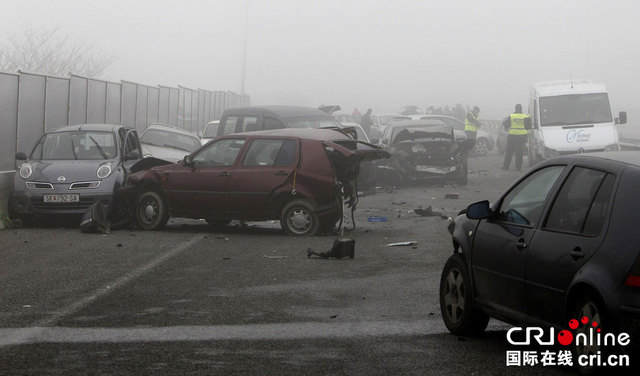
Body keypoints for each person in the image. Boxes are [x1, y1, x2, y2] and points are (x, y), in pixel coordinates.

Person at [502, 104, 531, 171]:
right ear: (521, 109)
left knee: (509, 152)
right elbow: (528, 127)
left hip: (512, 136)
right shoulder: (525, 116)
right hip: (521, 137)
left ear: (515, 109)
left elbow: (506, 125)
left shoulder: (512, 116)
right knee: (519, 152)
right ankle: (518, 167)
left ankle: (506, 166)